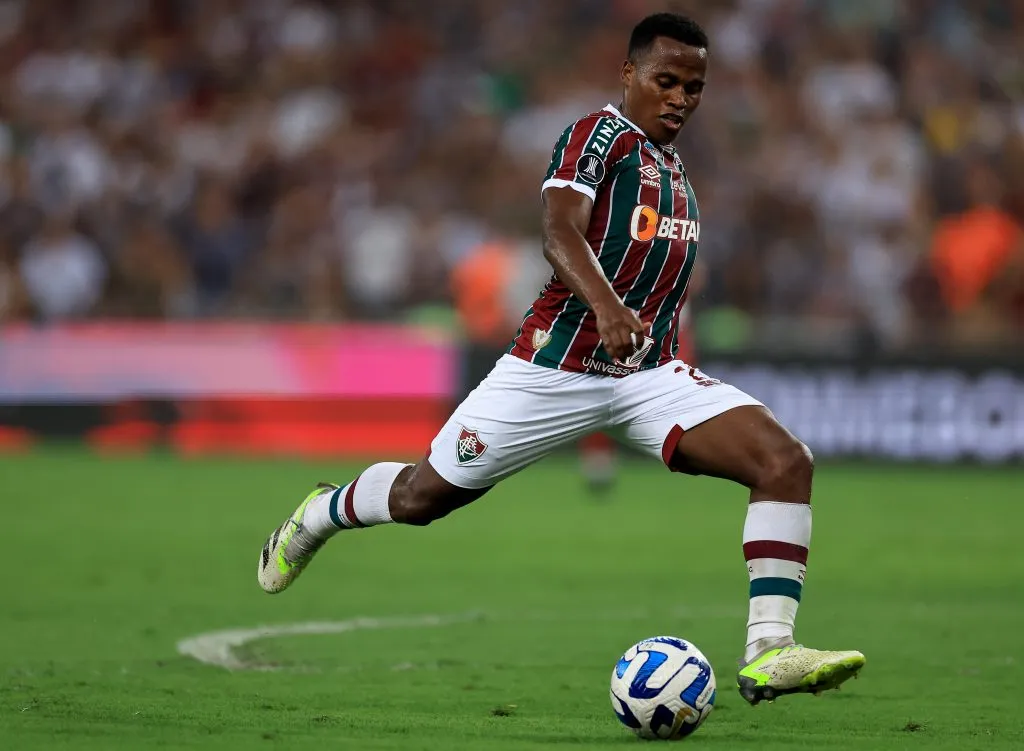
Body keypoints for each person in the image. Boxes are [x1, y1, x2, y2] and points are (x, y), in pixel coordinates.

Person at [257, 12, 864, 705]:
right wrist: (606, 307)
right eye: (666, 81)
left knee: (785, 460)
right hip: (552, 369)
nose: (680, 99)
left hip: (646, 376)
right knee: (422, 498)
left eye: (694, 88)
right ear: (629, 73)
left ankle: (769, 649)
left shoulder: (672, 165)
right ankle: (320, 513)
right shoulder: (595, 136)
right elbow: (557, 230)